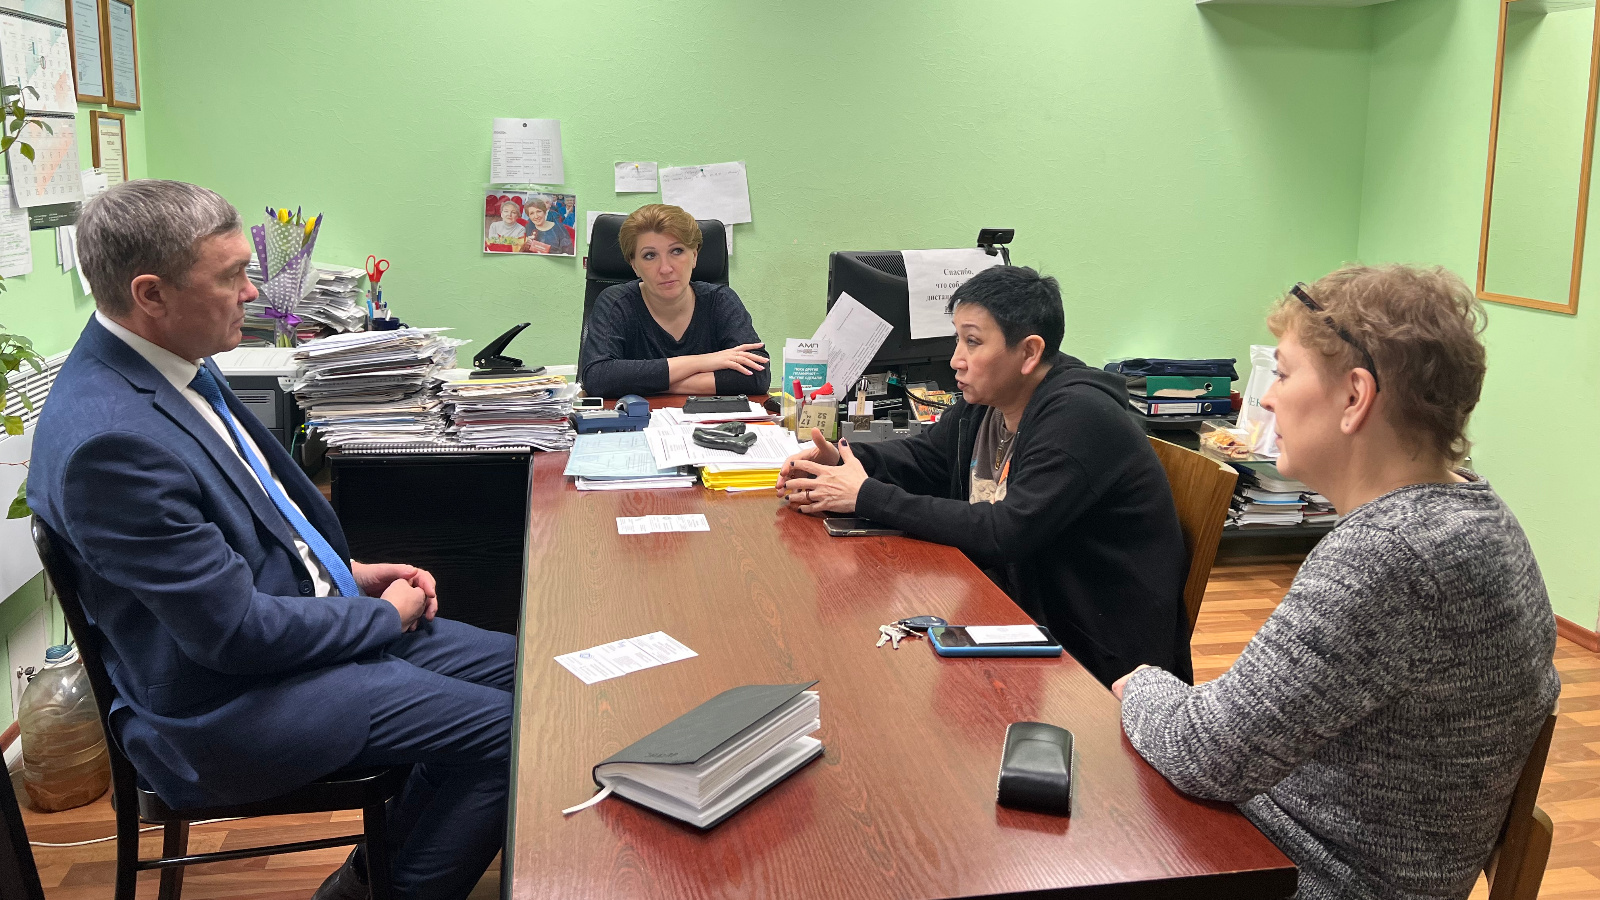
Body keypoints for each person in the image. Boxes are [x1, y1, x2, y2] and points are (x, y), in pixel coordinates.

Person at [27, 181, 515, 900]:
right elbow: (231, 635)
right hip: (224, 706)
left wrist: (347, 572)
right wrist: (384, 617)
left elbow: (253, 522)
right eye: (231, 276)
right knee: (513, 735)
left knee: (528, 676)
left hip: (284, 643)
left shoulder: (170, 356)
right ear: (151, 294)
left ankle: (372, 877)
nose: (252, 292)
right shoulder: (111, 444)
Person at [1114, 265, 1560, 899]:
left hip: (1312, 878)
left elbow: (1207, 753)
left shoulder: (1390, 555)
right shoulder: (1481, 518)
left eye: (1283, 374)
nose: (1267, 399)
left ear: (1355, 397)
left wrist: (1139, 685)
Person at [777, 265, 1189, 686]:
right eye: (958, 338)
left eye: (972, 342)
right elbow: (926, 458)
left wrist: (865, 495)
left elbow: (1004, 532)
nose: (955, 359)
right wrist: (842, 459)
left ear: (1029, 353)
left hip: (1095, 658)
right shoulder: (990, 402)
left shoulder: (1080, 417)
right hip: (1020, 610)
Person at [578, 203, 770, 397]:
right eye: (650, 255)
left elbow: (757, 375)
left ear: (694, 256)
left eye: (677, 251)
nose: (665, 268)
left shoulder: (720, 301)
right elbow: (598, 377)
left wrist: (654, 383)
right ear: (634, 265)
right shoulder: (615, 303)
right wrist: (703, 361)